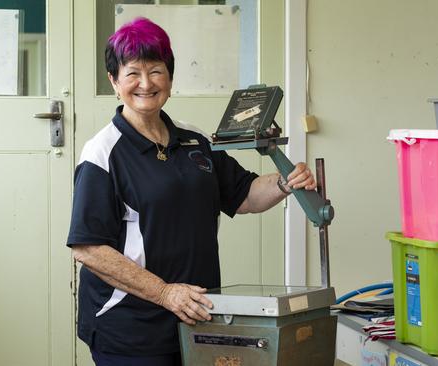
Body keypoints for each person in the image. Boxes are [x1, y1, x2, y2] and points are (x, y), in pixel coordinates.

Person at [66, 17, 316, 366]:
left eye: (156, 71)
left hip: (197, 317)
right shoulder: (103, 152)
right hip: (130, 328)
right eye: (132, 72)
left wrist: (284, 181)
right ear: (114, 80)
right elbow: (89, 248)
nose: (145, 83)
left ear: (169, 77)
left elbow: (243, 196)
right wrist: (165, 293)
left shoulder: (194, 140)